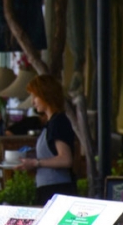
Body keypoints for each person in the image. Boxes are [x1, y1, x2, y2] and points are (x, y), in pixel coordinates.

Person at [16, 74, 77, 205]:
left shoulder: (58, 122)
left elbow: (65, 159)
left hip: (57, 190)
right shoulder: (52, 122)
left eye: (35, 96)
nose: (33, 102)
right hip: (50, 189)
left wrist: (35, 163)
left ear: (46, 95)